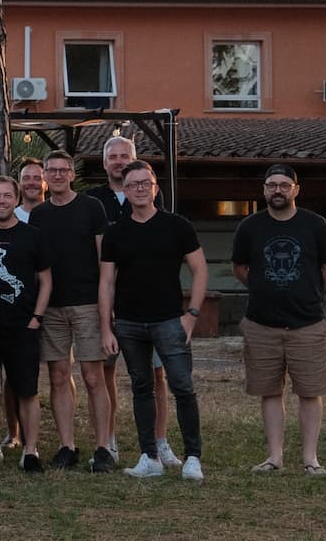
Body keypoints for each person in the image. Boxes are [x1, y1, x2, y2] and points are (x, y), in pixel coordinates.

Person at [99, 160, 208, 481]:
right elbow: (106, 282)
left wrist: (192, 316)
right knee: (141, 388)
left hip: (170, 322)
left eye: (145, 183)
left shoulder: (178, 226)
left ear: (155, 187)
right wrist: (107, 327)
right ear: (126, 191)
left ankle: (192, 458)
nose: (140, 189)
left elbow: (200, 270)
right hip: (130, 324)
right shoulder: (116, 233)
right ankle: (149, 457)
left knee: (183, 388)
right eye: (133, 184)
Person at [231, 164, 326, 475]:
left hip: (307, 324)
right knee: (269, 391)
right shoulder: (250, 227)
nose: (277, 190)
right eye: (271, 185)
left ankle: (310, 459)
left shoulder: (314, 225)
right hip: (261, 325)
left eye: (283, 184)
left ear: (296, 189)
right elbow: (240, 269)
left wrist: (304, 291)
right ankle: (274, 457)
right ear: (264, 190)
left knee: (309, 391)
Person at [92, 135, 179, 468]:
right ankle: (109, 441)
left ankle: (160, 442)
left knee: (157, 376)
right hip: (112, 301)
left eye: (123, 155)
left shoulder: (149, 197)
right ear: (104, 164)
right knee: (107, 373)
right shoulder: (93, 201)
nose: (117, 161)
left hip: (152, 306)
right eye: (112, 156)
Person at [30, 150, 114, 471]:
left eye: (63, 170)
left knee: (94, 377)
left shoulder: (92, 207)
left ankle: (103, 447)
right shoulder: (39, 214)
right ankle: (67, 445)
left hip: (88, 303)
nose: (58, 175)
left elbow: (104, 259)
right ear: (45, 177)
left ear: (71, 174)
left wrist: (108, 305)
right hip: (52, 306)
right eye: (51, 171)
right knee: (59, 375)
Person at [0, 175, 50, 474]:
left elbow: (46, 281)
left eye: (8, 196)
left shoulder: (33, 235)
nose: (2, 201)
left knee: (27, 391)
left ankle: (30, 451)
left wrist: (37, 318)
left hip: (23, 326)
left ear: (16, 200)